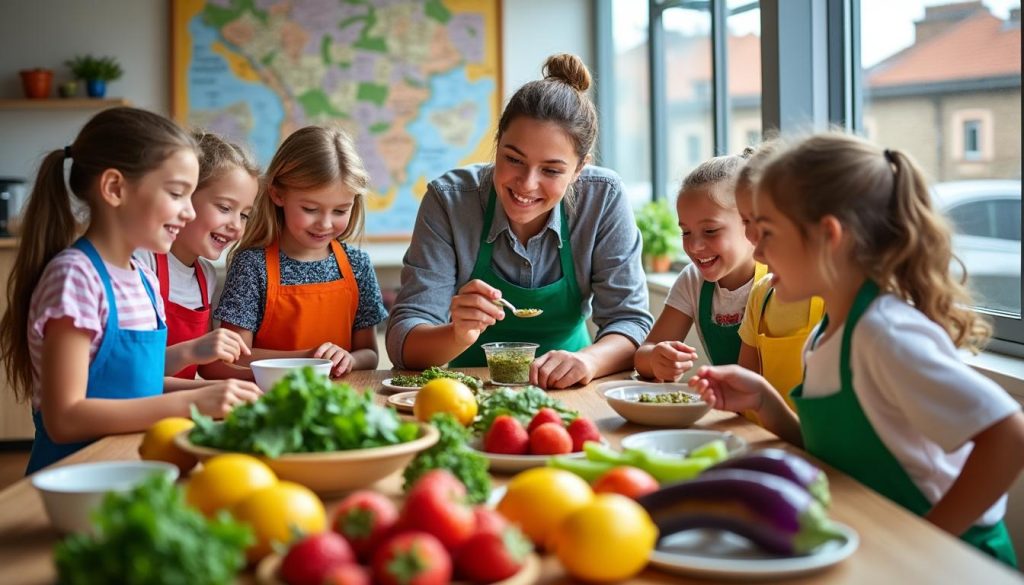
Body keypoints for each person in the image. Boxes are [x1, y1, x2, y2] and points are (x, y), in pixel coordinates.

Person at [690, 132, 1024, 566]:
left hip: (953, 564)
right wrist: (764, 400)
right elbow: (837, 455)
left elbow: (1009, 436)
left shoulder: (885, 333)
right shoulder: (828, 332)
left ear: (829, 236)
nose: (759, 250)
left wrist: (926, 543)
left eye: (768, 232)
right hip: (880, 550)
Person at [0, 107, 262, 473]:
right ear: (114, 189)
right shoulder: (75, 277)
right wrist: (192, 403)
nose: (187, 212)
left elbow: (138, 382)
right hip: (78, 475)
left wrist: (225, 396)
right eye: (176, 194)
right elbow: (65, 418)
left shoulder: (142, 278)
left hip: (131, 463)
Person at [385, 54, 652, 389]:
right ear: (497, 144)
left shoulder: (602, 198)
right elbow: (403, 341)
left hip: (570, 390)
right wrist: (456, 334)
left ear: (579, 169)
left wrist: (588, 360)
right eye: (513, 159)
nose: (526, 184)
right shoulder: (450, 201)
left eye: (552, 170)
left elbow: (630, 322)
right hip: (467, 390)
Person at [212, 126, 387, 378]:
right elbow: (236, 356)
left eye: (340, 211)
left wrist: (348, 358)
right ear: (277, 194)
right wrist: (309, 358)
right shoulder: (252, 265)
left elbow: (369, 354)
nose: (325, 223)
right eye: (310, 209)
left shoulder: (357, 264)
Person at [134, 129, 260, 380]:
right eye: (225, 208)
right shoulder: (142, 262)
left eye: (244, 215)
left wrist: (282, 376)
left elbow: (207, 366)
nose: (236, 225)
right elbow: (136, 372)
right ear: (183, 197)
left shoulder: (206, 275)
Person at [634, 153, 763, 382]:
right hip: (732, 412)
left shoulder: (777, 279)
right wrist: (656, 359)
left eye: (710, 231)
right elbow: (643, 356)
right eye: (685, 232)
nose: (694, 246)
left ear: (751, 222)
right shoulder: (693, 280)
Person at [734, 142, 824, 411]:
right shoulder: (762, 295)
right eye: (745, 221)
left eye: (765, 228)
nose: (754, 245)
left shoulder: (855, 317)